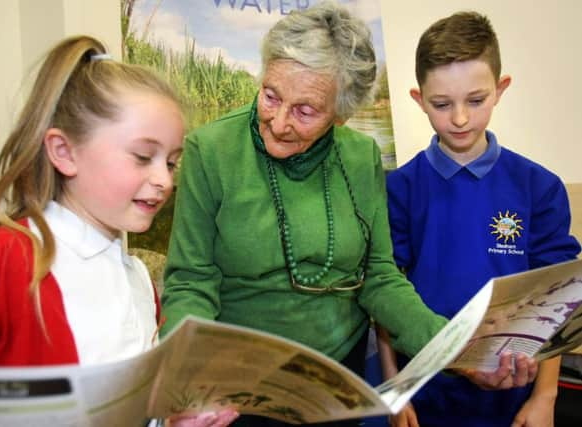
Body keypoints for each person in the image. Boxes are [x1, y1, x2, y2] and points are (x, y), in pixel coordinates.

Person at [161, 3, 537, 426]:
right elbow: (190, 283)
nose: (278, 121)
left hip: (337, 377)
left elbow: (380, 277)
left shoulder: (359, 157)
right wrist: (189, 380)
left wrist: (455, 348)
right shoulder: (209, 151)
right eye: (270, 95)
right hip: (238, 384)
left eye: (305, 111)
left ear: (341, 115)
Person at [0, 35, 237, 427]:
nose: (165, 181)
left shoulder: (138, 279)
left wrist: (170, 422)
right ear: (64, 152)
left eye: (170, 163)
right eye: (142, 157)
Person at [378, 10, 582, 427]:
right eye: (441, 104)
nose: (459, 118)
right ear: (418, 99)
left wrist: (545, 397)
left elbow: (559, 297)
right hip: (427, 394)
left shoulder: (538, 187)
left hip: (513, 397)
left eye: (476, 100)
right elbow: (384, 295)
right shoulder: (400, 188)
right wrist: (396, 394)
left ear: (500, 89)